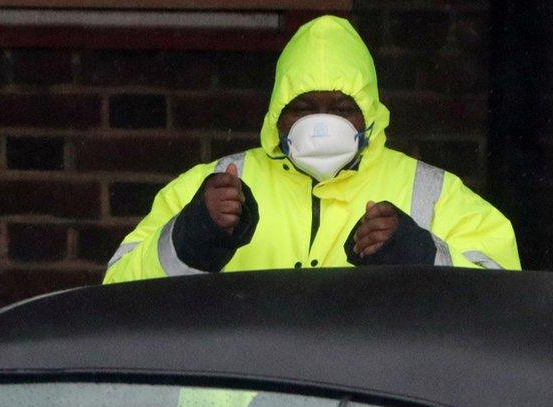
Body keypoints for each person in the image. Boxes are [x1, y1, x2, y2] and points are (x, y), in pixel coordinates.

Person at [104, 15, 520, 284]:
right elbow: (116, 292)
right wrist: (193, 237)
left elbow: (502, 304)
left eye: (342, 109)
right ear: (276, 116)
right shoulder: (211, 188)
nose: (321, 124)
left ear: (370, 116)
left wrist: (422, 258)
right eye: (302, 108)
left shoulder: (434, 192)